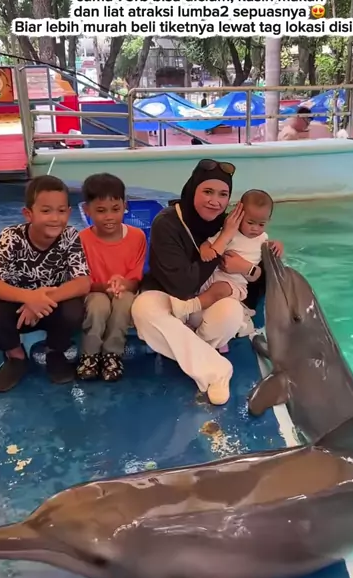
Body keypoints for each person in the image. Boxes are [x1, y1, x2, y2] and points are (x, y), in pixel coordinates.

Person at [131, 159, 257, 406]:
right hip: (171, 300)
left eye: (223, 194)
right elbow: (182, 285)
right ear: (192, 189)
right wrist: (222, 241)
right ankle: (217, 371)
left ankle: (189, 351)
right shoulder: (167, 222)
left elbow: (255, 257)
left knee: (232, 312)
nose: (215, 201)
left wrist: (259, 259)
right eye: (207, 192)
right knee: (143, 310)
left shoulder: (229, 223)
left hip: (205, 305)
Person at [0, 176, 91, 393]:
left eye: (61, 211)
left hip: (51, 308)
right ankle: (16, 357)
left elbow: (82, 282)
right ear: (28, 214)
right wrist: (28, 297)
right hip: (18, 311)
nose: (55, 218)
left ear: (69, 212)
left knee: (74, 308)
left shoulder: (70, 236)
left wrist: (41, 300)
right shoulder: (11, 237)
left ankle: (55, 353)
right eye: (46, 211)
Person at [169, 190, 275, 342]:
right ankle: (188, 320)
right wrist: (206, 250)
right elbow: (208, 243)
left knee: (220, 290)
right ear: (239, 214)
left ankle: (188, 308)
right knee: (194, 287)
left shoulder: (263, 239)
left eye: (261, 224)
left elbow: (256, 275)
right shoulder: (230, 232)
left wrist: (276, 246)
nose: (255, 229)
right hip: (213, 276)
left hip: (234, 285)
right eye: (250, 223)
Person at [77, 173, 146, 382]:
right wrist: (105, 286)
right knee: (98, 306)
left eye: (115, 209)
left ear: (125, 206)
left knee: (123, 302)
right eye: (101, 210)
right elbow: (82, 281)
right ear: (87, 210)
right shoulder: (82, 240)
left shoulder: (137, 237)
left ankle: (112, 354)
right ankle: (90, 354)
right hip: (95, 291)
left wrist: (123, 283)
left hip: (124, 291)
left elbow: (135, 280)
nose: (109, 217)